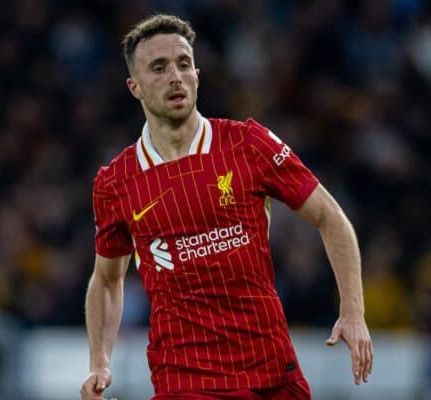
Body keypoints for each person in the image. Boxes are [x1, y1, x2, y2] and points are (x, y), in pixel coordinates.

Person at [80, 14, 372, 400]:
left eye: (184, 65)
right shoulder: (116, 182)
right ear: (134, 87)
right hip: (186, 378)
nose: (175, 77)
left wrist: (353, 310)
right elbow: (106, 279)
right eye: (159, 67)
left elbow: (330, 218)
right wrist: (99, 362)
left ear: (197, 76)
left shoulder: (247, 144)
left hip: (272, 369)